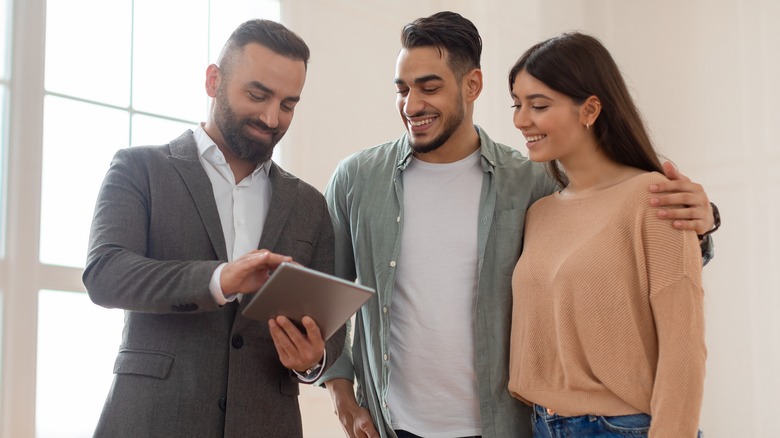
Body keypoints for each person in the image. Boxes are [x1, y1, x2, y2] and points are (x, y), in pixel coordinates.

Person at [320, 11, 717, 438]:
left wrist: (702, 222)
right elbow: (327, 296)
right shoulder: (358, 181)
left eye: (429, 87)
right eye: (402, 89)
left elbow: (664, 311)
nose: (412, 105)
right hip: (414, 425)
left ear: (472, 85)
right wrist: (343, 397)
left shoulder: (530, 182)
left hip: (517, 425)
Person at [83, 19, 345, 437]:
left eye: (288, 104)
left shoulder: (309, 205)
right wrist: (219, 278)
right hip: (151, 421)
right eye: (257, 95)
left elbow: (330, 332)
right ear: (213, 81)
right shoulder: (139, 169)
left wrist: (312, 360)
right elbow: (105, 274)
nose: (271, 117)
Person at [507, 32, 706, 437]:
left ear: (591, 109)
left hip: (621, 428)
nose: (520, 120)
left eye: (538, 105)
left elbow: (684, 351)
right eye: (517, 104)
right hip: (541, 425)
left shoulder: (654, 198)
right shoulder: (539, 213)